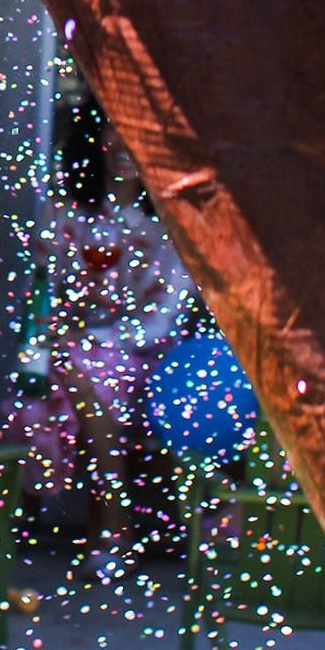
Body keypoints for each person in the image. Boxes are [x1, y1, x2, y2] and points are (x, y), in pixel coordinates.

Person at [13, 101, 195, 582]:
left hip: (147, 361)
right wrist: (62, 330)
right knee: (35, 397)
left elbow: (166, 320)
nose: (122, 146)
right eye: (112, 133)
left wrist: (92, 338)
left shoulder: (173, 226)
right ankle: (107, 531)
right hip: (72, 353)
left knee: (89, 377)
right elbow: (47, 290)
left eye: (135, 135)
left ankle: (91, 526)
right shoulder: (68, 211)